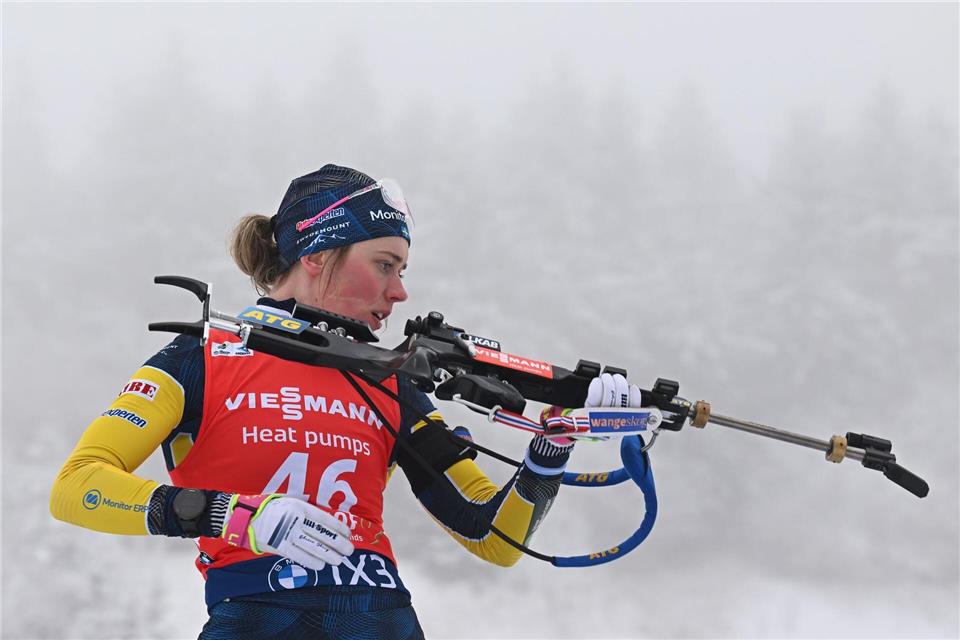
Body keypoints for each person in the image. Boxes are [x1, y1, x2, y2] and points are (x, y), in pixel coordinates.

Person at [50, 164, 643, 639]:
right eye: (384, 265)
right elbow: (77, 487)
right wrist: (230, 515)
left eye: (403, 269)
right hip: (258, 615)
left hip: (384, 620)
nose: (400, 291)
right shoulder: (202, 357)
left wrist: (547, 455)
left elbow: (493, 537)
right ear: (315, 254)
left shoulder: (387, 380)